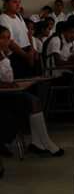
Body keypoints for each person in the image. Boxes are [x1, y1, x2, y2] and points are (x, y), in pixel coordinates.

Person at [0, 25, 64, 157]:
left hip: (7, 93)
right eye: (2, 38)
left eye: (8, 38)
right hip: (2, 96)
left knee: (35, 100)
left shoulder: (3, 53)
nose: (7, 41)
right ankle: (43, 142)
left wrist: (11, 83)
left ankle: (39, 142)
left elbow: (8, 78)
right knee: (32, 101)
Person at [0, 0, 36, 78]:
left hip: (27, 51)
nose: (18, 5)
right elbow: (10, 41)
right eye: (14, 2)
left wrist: (32, 50)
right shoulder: (3, 18)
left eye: (19, 2)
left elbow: (28, 34)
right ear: (6, 3)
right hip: (17, 54)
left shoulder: (18, 16)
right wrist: (26, 55)